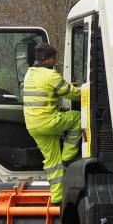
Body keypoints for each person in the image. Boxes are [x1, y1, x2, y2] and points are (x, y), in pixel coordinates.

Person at [22, 44, 82, 205]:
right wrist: (86, 91)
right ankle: (68, 156)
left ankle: (57, 198)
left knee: (52, 162)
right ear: (46, 59)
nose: (55, 61)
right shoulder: (51, 75)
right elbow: (71, 94)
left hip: (33, 126)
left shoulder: (29, 74)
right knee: (77, 118)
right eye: (53, 58)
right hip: (48, 122)